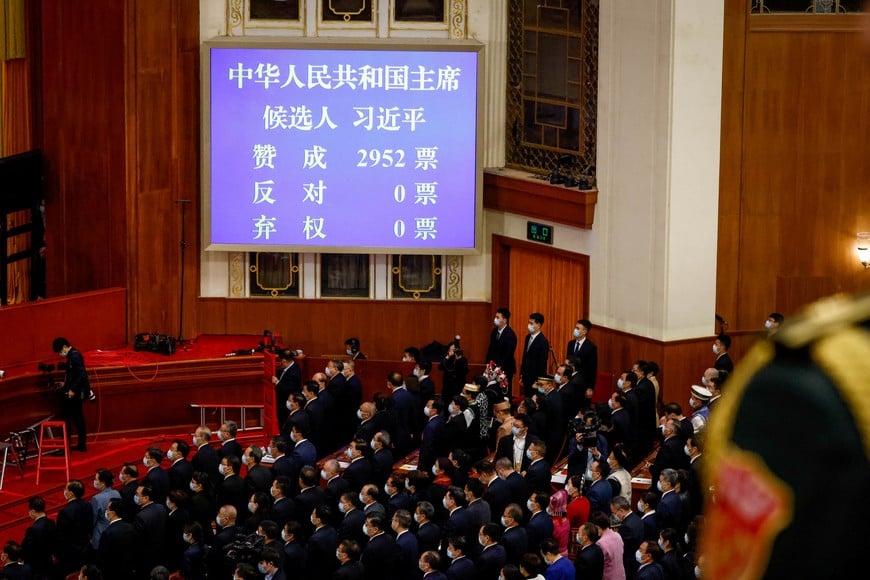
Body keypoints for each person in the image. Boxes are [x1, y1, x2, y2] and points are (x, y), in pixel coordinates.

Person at [52, 336, 91, 451]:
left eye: (60, 351)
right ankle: (80, 444)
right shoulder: (71, 356)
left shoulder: (75, 356)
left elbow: (82, 375)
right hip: (72, 391)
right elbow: (71, 375)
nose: (60, 354)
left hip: (75, 394)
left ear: (65, 347)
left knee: (71, 418)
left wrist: (72, 389)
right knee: (77, 417)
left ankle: (68, 446)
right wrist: (64, 385)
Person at [56, 479, 94, 575]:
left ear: (71, 493)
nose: (64, 491)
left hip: (70, 553)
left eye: (66, 489)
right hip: (86, 548)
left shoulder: (65, 512)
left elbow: (61, 535)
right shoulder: (88, 505)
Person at [22, 496, 57, 578]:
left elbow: (25, 549)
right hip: (49, 564)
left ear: (33, 511)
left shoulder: (33, 529)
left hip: (35, 568)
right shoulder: (52, 523)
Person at [486, 307, 518, 388]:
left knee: (504, 392)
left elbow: (508, 354)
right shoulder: (494, 332)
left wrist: (498, 368)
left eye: (497, 317)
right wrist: (488, 365)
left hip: (505, 369)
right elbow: (490, 349)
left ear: (505, 320)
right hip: (493, 368)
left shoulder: (510, 334)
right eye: (495, 317)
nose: (495, 319)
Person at [520, 313, 550, 397]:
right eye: (528, 323)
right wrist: (521, 375)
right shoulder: (527, 337)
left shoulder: (543, 342)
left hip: (535, 378)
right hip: (526, 376)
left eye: (531, 323)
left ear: (539, 325)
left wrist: (538, 381)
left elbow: (542, 363)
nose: (529, 325)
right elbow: (524, 357)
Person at [565, 319, 598, 390]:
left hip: (583, 384)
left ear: (585, 331)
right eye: (575, 327)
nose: (575, 330)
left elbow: (592, 369)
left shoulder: (591, 347)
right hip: (569, 382)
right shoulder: (571, 343)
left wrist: (590, 388)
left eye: (577, 328)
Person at [273, 349, 302, 427]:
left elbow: (289, 388)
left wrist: (277, 382)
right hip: (282, 402)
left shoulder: (294, 372)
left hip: (287, 403)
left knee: (284, 423)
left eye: (280, 361)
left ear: (284, 361)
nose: (280, 363)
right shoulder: (290, 366)